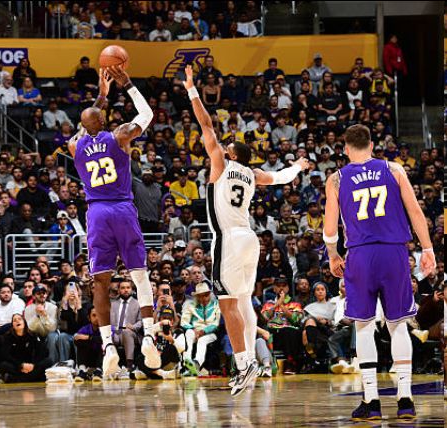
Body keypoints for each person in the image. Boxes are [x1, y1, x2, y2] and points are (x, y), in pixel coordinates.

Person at [183, 64, 309, 396]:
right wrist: (298, 165)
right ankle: (250, 360)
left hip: (227, 238)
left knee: (227, 304)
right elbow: (281, 177)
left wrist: (192, 88)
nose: (223, 146)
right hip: (250, 238)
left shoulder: (221, 164)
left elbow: (206, 124)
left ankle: (244, 364)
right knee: (243, 303)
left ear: (231, 154)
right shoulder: (252, 174)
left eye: (227, 146)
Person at [323, 124, 436, 420]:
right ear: (372, 145)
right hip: (394, 252)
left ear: (345, 148)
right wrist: (427, 249)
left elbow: (330, 228)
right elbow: (415, 212)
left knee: (363, 326)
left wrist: (333, 255)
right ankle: (405, 400)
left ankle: (371, 401)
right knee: (398, 324)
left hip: (360, 254)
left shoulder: (336, 179)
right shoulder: (394, 169)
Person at [68, 65, 158, 379]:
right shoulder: (119, 135)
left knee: (100, 282)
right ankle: (150, 336)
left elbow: (85, 125)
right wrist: (128, 84)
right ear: (105, 121)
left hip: (96, 213)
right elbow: (147, 114)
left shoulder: (75, 145)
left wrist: (101, 96)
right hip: (121, 208)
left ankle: (107, 345)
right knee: (140, 275)